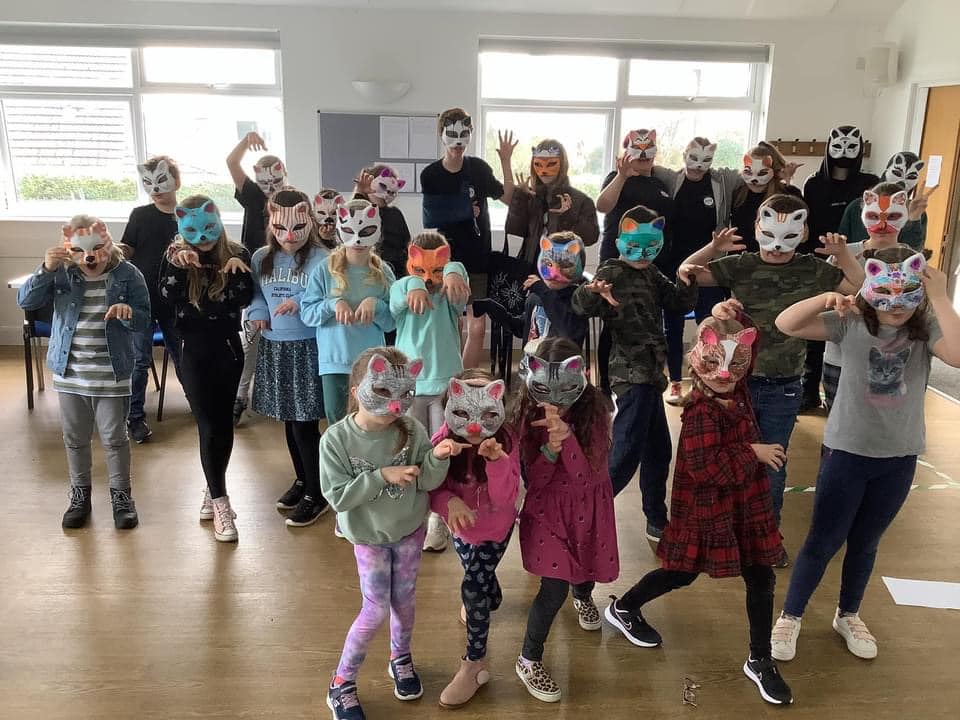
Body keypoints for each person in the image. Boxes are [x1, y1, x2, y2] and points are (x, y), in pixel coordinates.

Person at [770, 246, 960, 663]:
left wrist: (942, 298)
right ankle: (791, 615)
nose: (895, 305)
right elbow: (786, 323)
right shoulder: (851, 324)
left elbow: (958, 356)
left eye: (906, 293)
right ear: (869, 288)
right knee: (824, 538)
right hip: (848, 450)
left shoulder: (925, 327)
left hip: (899, 455)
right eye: (885, 292)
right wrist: (826, 298)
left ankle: (848, 613)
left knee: (867, 541)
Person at [606, 316, 794, 706]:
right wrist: (753, 452)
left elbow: (747, 345)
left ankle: (759, 657)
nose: (724, 374)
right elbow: (706, 468)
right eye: (713, 365)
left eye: (733, 366)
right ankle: (624, 607)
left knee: (760, 576)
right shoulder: (700, 413)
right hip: (706, 511)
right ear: (696, 365)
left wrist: (734, 318)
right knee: (681, 573)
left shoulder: (737, 391)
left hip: (744, 506)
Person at [679, 194, 864, 565]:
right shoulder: (741, 265)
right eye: (771, 235)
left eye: (790, 235)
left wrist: (842, 254)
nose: (779, 247)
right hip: (737, 383)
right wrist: (712, 247)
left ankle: (766, 537)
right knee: (735, 458)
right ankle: (730, 533)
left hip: (785, 383)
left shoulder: (813, 268)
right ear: (758, 230)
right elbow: (686, 270)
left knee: (773, 464)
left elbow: (858, 286)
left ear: (805, 231)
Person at [320, 348, 460, 720]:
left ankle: (400, 657)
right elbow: (337, 497)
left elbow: (428, 480)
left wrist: (438, 457)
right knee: (375, 608)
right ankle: (341, 683)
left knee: (405, 602)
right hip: (368, 537)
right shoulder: (335, 441)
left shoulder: (412, 429)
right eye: (383, 393)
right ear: (355, 390)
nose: (395, 405)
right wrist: (382, 476)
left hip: (410, 531)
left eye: (403, 395)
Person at [572, 205, 697, 541]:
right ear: (621, 238)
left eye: (650, 247)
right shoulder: (612, 270)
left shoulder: (651, 273)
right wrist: (592, 292)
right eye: (635, 246)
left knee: (658, 451)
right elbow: (581, 306)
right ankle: (580, 516)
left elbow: (678, 303)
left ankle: (656, 520)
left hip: (651, 374)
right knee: (625, 452)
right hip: (631, 374)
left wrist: (687, 281)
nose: (642, 254)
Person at [18, 216, 149, 530]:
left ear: (108, 243)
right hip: (71, 374)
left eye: (96, 248)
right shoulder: (63, 274)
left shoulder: (128, 275)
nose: (88, 257)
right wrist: (45, 269)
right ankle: (80, 495)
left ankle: (121, 496)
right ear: (67, 248)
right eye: (78, 250)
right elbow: (26, 300)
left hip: (112, 374)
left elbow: (145, 320)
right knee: (75, 439)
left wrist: (129, 315)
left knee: (115, 439)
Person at [513, 338, 618, 703]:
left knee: (585, 565)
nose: (555, 401)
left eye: (564, 391)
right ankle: (529, 658)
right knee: (553, 587)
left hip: (587, 506)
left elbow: (588, 477)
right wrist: (549, 448)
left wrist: (568, 439)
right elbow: (536, 480)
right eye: (546, 390)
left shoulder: (597, 410)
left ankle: (583, 594)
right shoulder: (528, 415)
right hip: (547, 513)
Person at [159, 196, 254, 542]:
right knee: (207, 425)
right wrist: (179, 266)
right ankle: (220, 501)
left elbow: (241, 299)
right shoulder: (175, 257)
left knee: (223, 424)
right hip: (192, 351)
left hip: (228, 349)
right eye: (194, 231)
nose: (204, 237)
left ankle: (213, 486)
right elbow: (168, 297)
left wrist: (230, 271)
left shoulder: (238, 253)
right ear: (182, 227)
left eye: (209, 228)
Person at [247, 188, 338, 526]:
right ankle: (302, 480)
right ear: (270, 222)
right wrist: (257, 310)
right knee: (288, 420)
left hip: (308, 346)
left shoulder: (322, 258)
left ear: (309, 221)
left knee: (304, 424)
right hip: (275, 345)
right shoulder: (261, 257)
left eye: (297, 228)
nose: (288, 237)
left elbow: (330, 295)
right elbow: (256, 292)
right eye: (280, 229)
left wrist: (301, 301)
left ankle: (317, 492)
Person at [429, 370, 520, 707]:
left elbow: (506, 498)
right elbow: (431, 487)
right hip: (460, 531)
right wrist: (447, 501)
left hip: (495, 531)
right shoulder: (442, 439)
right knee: (478, 577)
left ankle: (474, 665)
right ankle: (489, 594)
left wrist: (496, 461)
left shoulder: (508, 441)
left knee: (472, 586)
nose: (474, 424)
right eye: (465, 410)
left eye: (487, 411)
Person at [389, 231, 471, 552]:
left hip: (445, 386)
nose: (429, 279)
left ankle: (440, 514)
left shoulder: (449, 292)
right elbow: (395, 300)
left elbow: (459, 284)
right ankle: (413, 511)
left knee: (443, 450)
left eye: (437, 270)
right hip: (410, 387)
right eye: (421, 270)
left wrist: (452, 272)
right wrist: (414, 285)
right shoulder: (402, 287)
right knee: (410, 448)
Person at [420, 107, 516, 369]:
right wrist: (463, 209)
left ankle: (462, 382)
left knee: (477, 327)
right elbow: (430, 218)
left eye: (464, 134)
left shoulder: (479, 169)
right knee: (452, 323)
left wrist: (506, 161)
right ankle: (448, 380)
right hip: (446, 261)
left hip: (478, 259)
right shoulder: (431, 174)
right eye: (452, 135)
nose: (458, 142)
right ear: (441, 134)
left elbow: (508, 198)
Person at [653, 137, 743, 404]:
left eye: (705, 160)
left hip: (709, 268)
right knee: (673, 327)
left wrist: (782, 173)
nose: (698, 166)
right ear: (684, 155)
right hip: (674, 268)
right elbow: (645, 165)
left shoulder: (720, 182)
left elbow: (751, 173)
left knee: (710, 325)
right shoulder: (671, 179)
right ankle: (675, 382)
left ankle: (706, 380)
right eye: (693, 158)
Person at [800, 125, 880, 411]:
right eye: (838, 147)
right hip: (821, 261)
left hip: (860, 261)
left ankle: (849, 393)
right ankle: (809, 390)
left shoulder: (869, 183)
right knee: (820, 325)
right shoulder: (814, 184)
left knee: (853, 323)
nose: (844, 154)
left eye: (851, 147)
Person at [300, 198, 396, 427]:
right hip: (334, 362)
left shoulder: (383, 272)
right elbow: (307, 314)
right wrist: (333, 304)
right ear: (340, 230)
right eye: (350, 232)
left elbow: (392, 322)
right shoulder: (324, 269)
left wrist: (377, 304)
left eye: (367, 231)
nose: (358, 240)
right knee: (338, 425)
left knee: (371, 421)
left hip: (371, 364)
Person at [594, 129, 675, 393]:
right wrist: (621, 176)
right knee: (613, 319)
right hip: (616, 261)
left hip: (651, 265)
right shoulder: (617, 177)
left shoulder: (661, 184)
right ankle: (606, 387)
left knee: (651, 320)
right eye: (636, 149)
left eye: (647, 149)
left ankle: (648, 379)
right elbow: (602, 205)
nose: (642, 155)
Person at [822, 184, 912, 411]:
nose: (882, 225)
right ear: (863, 213)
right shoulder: (840, 252)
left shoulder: (913, 261)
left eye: (893, 216)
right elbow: (823, 301)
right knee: (839, 424)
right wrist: (841, 257)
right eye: (874, 216)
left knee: (884, 427)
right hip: (841, 358)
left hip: (893, 361)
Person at [225, 132, 288, 425]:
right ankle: (240, 396)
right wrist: (246, 141)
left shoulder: (290, 200)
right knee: (251, 340)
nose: (271, 187)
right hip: (254, 276)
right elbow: (231, 162)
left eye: (277, 179)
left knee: (285, 337)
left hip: (286, 277)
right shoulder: (251, 195)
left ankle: (281, 394)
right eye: (266, 180)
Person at [122, 155, 184, 443]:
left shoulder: (187, 216)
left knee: (182, 354)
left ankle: (200, 404)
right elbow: (129, 249)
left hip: (176, 299)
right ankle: (134, 417)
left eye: (161, 181)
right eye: (149, 183)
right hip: (141, 297)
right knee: (139, 359)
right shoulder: (140, 215)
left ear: (176, 181)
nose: (155, 189)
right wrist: (115, 250)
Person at [473, 231, 590, 351]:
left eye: (564, 265)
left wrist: (542, 290)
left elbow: (567, 330)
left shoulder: (579, 300)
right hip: (532, 366)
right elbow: (522, 329)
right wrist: (493, 308)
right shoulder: (536, 297)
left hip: (563, 366)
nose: (554, 273)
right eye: (548, 263)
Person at [505, 138, 598, 264]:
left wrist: (566, 217)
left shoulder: (581, 200)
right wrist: (519, 198)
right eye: (538, 164)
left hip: (562, 271)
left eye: (551, 164)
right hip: (529, 268)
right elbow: (514, 230)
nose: (543, 171)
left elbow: (590, 238)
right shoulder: (530, 195)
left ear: (562, 164)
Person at [837, 152, 931, 251]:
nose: (902, 180)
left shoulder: (917, 212)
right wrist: (842, 256)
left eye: (911, 177)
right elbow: (842, 240)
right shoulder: (856, 207)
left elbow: (914, 252)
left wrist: (914, 219)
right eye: (897, 173)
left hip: (895, 263)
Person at [729, 142, 803, 254]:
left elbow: (802, 235)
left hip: (776, 258)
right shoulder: (737, 193)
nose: (754, 180)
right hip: (740, 261)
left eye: (762, 173)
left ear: (774, 171)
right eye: (748, 172)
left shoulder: (789, 194)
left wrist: (788, 180)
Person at [353, 164, 412, 279]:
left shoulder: (395, 214)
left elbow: (407, 244)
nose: (386, 194)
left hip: (397, 274)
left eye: (392, 192)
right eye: (382, 186)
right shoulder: (361, 211)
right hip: (368, 273)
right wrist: (359, 192)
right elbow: (352, 219)